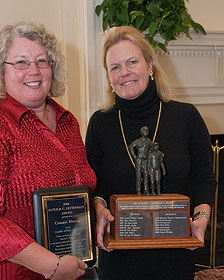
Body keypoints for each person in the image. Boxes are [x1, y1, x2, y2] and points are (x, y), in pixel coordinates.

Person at [0, 21, 96, 280]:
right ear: (1, 71)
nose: (34, 70)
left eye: (42, 61)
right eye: (21, 62)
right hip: (11, 273)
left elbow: (77, 190)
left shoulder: (68, 121)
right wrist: (51, 266)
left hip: (69, 267)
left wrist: (96, 210)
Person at [85, 26, 216, 280]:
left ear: (149, 65)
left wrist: (201, 220)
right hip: (119, 258)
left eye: (132, 62)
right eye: (115, 67)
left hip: (175, 255)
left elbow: (203, 177)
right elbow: (93, 183)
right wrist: (99, 206)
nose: (125, 73)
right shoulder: (100, 123)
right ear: (109, 76)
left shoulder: (186, 117)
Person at [128, 126, 153, 195]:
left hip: (146, 160)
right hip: (139, 160)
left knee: (146, 175)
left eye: (147, 131)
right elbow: (130, 147)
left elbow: (153, 148)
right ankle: (138, 191)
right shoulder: (138, 141)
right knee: (138, 176)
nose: (146, 132)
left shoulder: (149, 141)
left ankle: (146, 190)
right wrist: (135, 157)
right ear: (141, 132)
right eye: (145, 130)